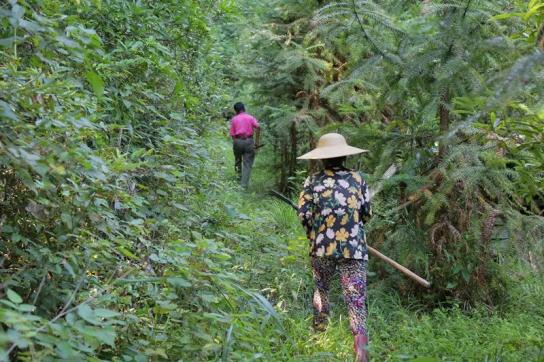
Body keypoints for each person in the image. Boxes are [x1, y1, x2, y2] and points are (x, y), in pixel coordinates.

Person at [297, 133, 372, 362]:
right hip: (354, 248)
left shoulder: (312, 182)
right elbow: (366, 214)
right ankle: (361, 350)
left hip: (322, 248)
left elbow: (304, 216)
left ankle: (319, 333)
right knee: (355, 298)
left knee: (322, 289)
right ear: (345, 156)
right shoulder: (358, 179)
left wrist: (315, 233)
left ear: (322, 159)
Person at [229, 102, 260, 189]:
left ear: (236, 111)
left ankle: (238, 180)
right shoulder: (250, 118)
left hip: (237, 141)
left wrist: (236, 142)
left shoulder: (234, 119)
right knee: (247, 164)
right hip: (249, 141)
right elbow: (258, 127)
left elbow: (232, 134)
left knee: (238, 161)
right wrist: (256, 142)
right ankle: (243, 185)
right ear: (244, 108)